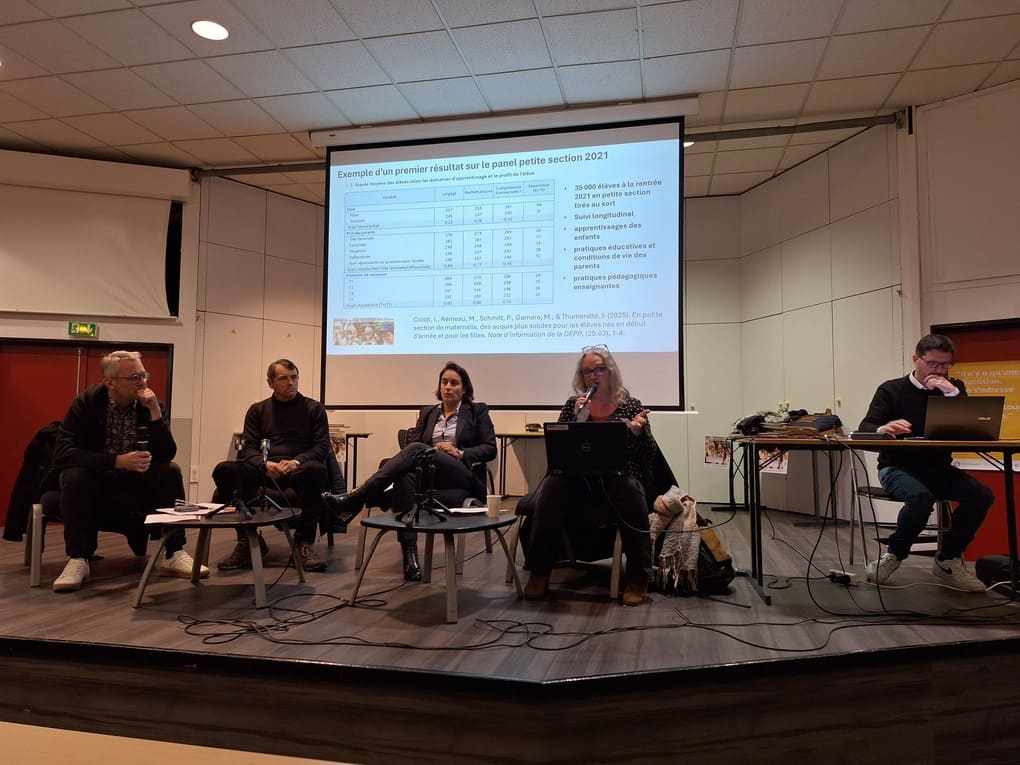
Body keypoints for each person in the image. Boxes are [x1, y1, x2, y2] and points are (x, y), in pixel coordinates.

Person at [323, 362, 496, 581]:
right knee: (404, 477)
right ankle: (410, 556)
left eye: (454, 383)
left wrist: (459, 452)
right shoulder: (428, 413)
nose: (448, 387)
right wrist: (432, 451)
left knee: (407, 455)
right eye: (444, 382)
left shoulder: (477, 411)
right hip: (429, 475)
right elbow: (413, 445)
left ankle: (359, 496)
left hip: (461, 473)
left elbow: (490, 448)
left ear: (464, 388)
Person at [51, 350, 207, 592]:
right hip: (96, 481)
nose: (142, 382)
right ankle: (78, 558)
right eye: (134, 378)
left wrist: (155, 414)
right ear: (110, 383)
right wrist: (117, 461)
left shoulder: (150, 405)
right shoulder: (87, 403)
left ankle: (173, 552)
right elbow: (63, 453)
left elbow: (166, 454)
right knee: (74, 476)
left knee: (170, 471)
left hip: (137, 482)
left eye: (144, 375)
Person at [522, 344, 656, 607]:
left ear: (611, 372)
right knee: (553, 484)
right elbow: (559, 455)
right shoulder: (573, 406)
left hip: (620, 481)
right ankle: (539, 572)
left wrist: (638, 433)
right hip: (580, 483)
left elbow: (648, 456)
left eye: (599, 370)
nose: (593, 376)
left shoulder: (630, 406)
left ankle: (638, 579)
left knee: (626, 486)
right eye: (587, 372)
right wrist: (577, 422)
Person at [859, 334, 993, 592]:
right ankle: (894, 555)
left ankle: (947, 559)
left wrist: (952, 393)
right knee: (920, 498)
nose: (939, 371)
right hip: (896, 467)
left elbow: (972, 423)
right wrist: (884, 428)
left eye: (945, 365)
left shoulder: (953, 388)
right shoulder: (891, 389)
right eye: (932, 363)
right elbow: (866, 426)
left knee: (982, 495)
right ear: (916, 359)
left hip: (938, 468)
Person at [212, 359, 330, 572]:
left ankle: (303, 544)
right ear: (270, 383)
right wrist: (264, 465)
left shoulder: (314, 408)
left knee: (316, 470)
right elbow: (248, 448)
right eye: (284, 378)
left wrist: (296, 462)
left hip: (298, 469)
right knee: (224, 470)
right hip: (265, 470)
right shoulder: (258, 410)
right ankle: (249, 541)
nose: (291, 382)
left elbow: (322, 446)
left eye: (294, 377)